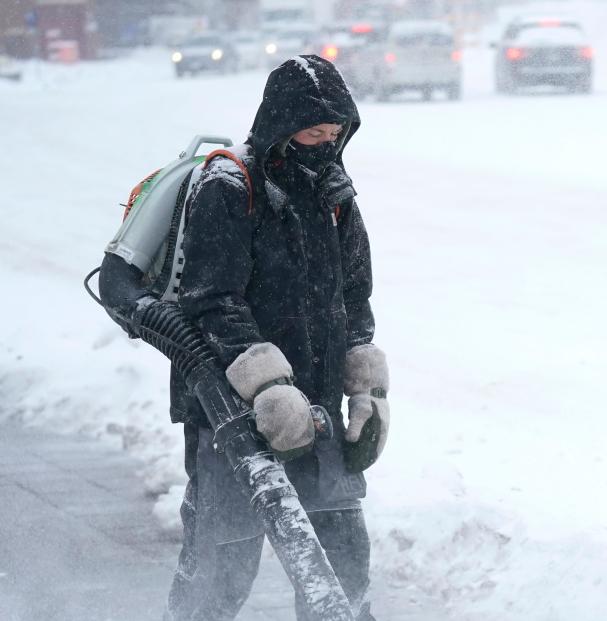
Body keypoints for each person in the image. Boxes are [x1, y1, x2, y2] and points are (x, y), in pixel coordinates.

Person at [164, 55, 390, 620]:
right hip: (230, 411)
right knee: (222, 566)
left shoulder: (334, 192)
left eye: (336, 128)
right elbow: (210, 299)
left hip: (317, 406)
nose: (328, 136)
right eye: (315, 125)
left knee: (342, 566)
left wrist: (364, 389)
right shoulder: (227, 185)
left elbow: (354, 295)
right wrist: (266, 384)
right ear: (282, 119)